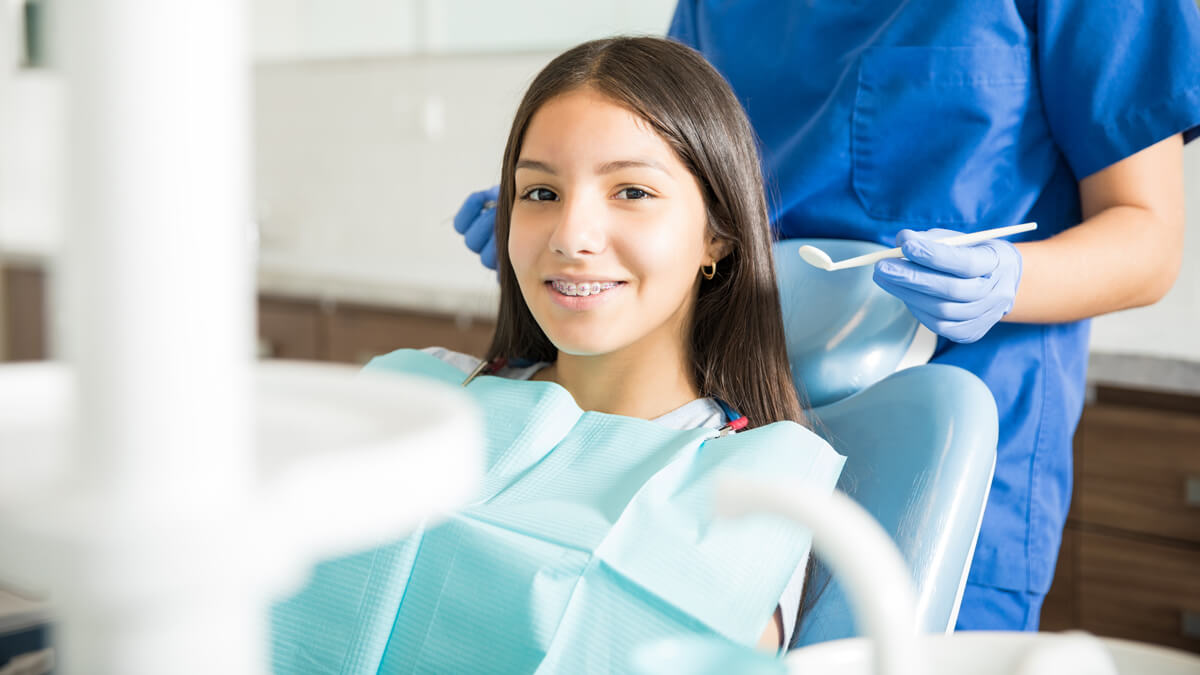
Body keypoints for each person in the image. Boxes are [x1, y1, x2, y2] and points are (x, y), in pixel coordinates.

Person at [453, 1, 1200, 633]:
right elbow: (667, 157)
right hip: (717, 425)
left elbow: (1148, 237)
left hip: (953, 435)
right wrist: (567, 235)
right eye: (536, 191)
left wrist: (1011, 280)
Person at [271, 37, 845, 673]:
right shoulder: (417, 395)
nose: (572, 236)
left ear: (716, 234)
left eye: (632, 192)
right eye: (540, 194)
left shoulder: (749, 492)